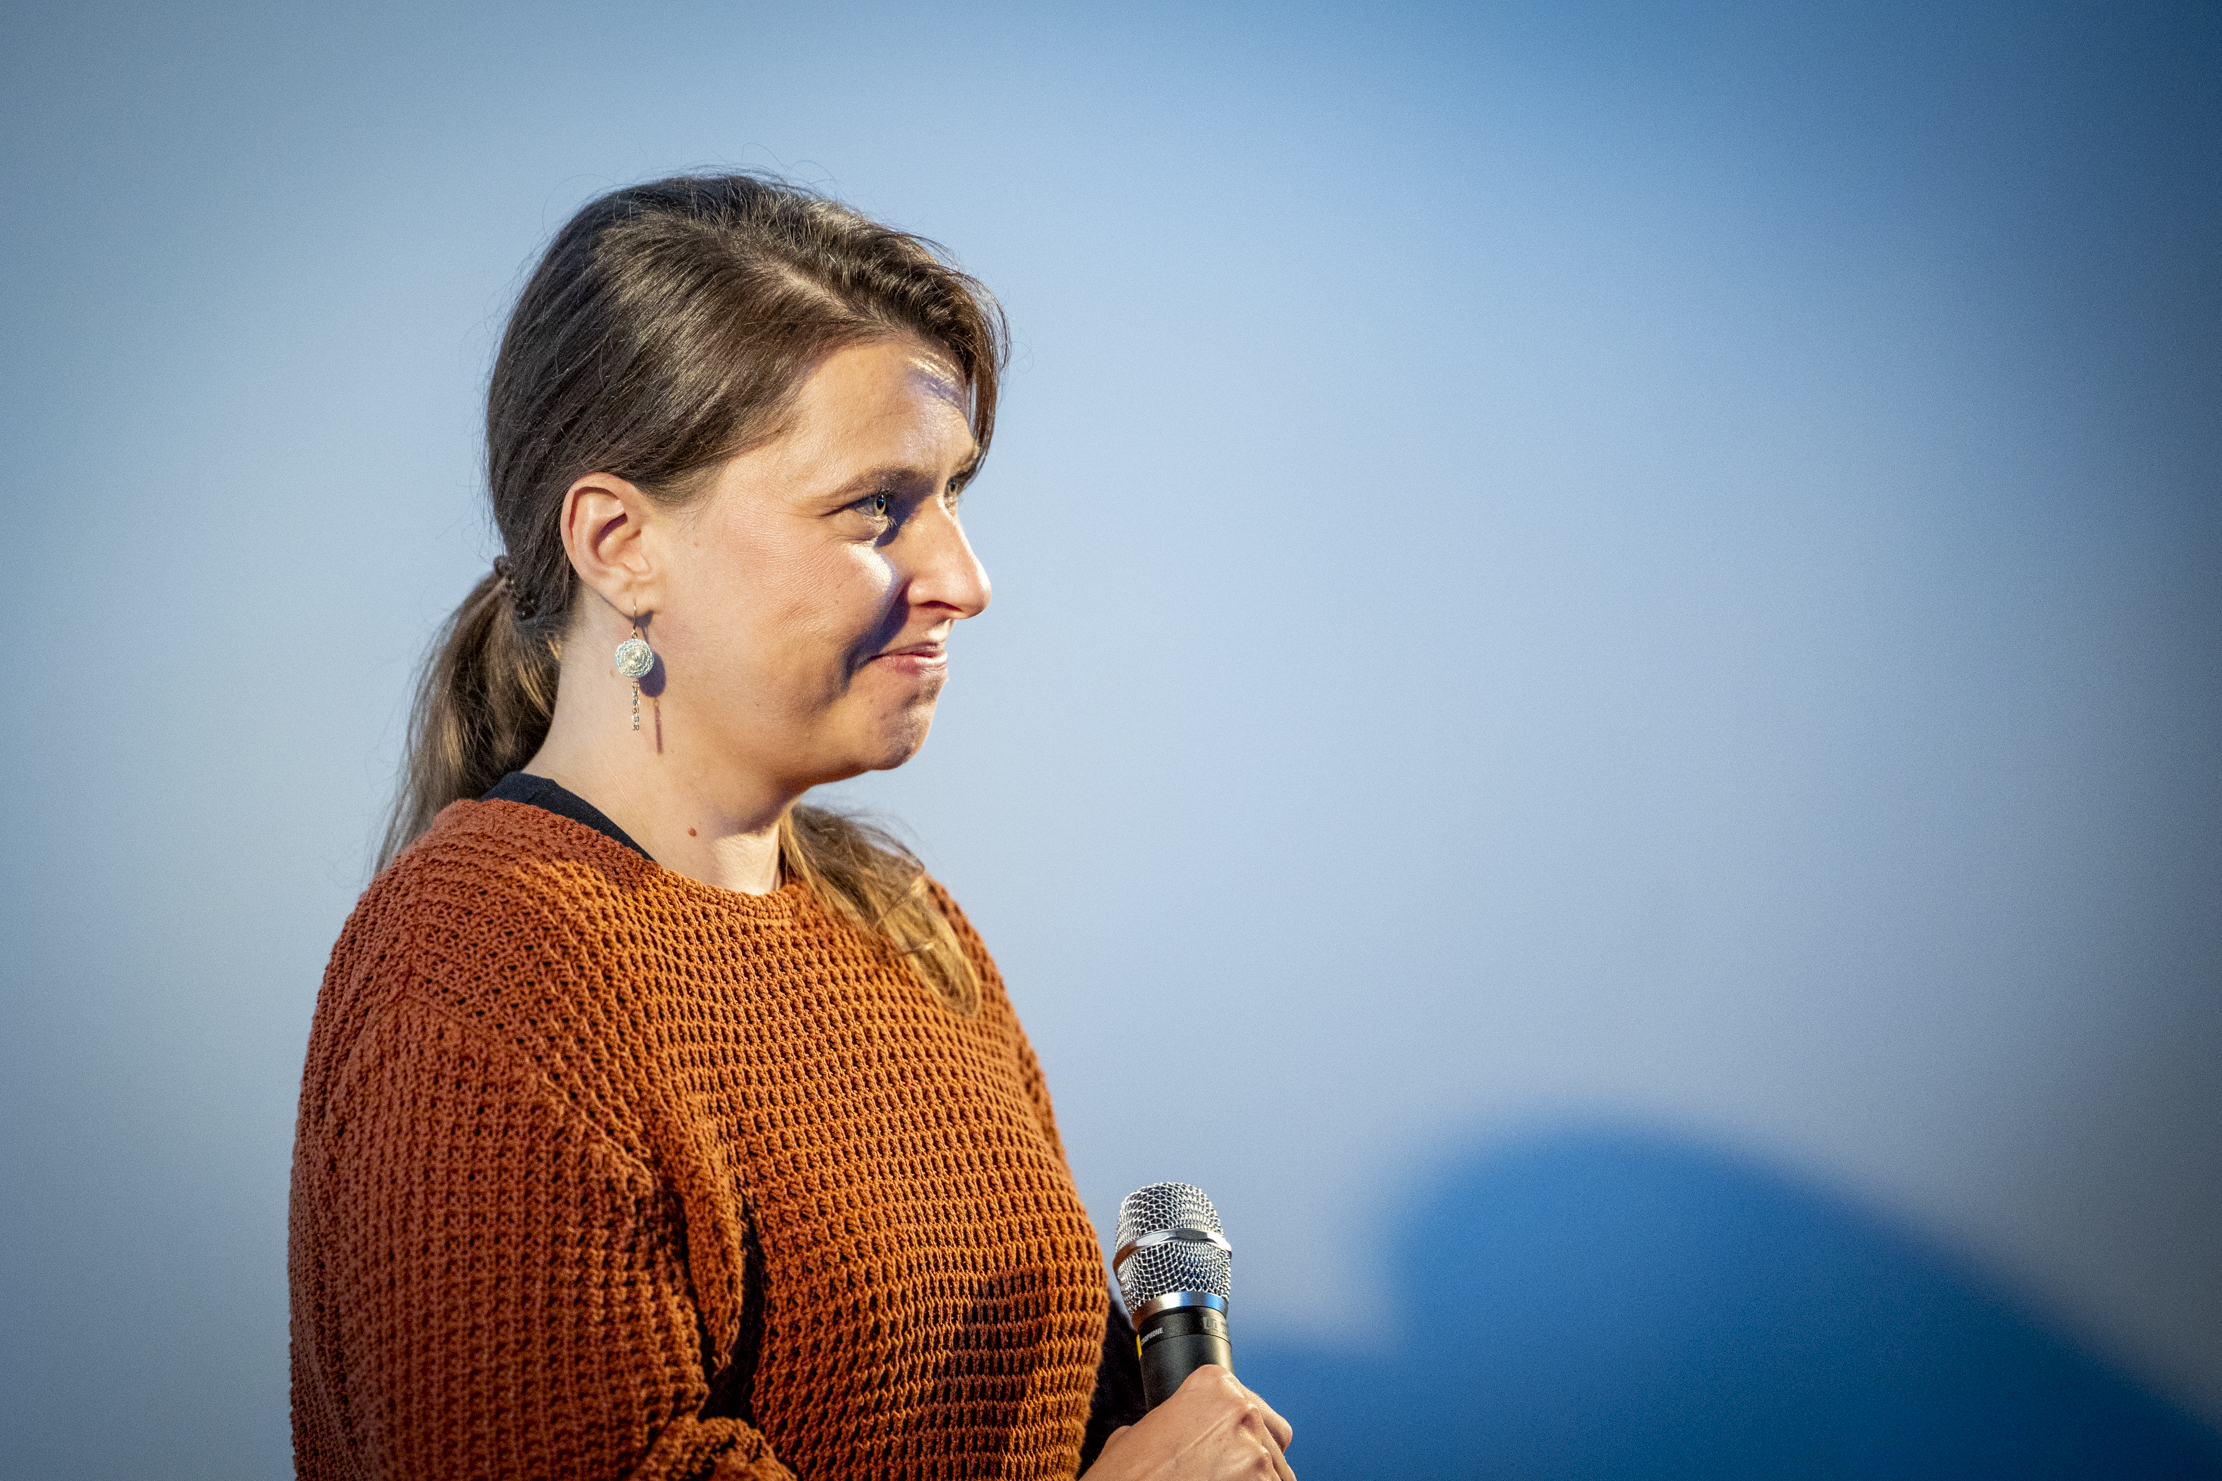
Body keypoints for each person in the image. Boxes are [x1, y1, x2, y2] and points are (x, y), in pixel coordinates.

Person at [287, 174, 1297, 1481]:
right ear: (618, 543)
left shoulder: (900, 927)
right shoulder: (481, 968)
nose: (965, 579)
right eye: (875, 506)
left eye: (953, 494)